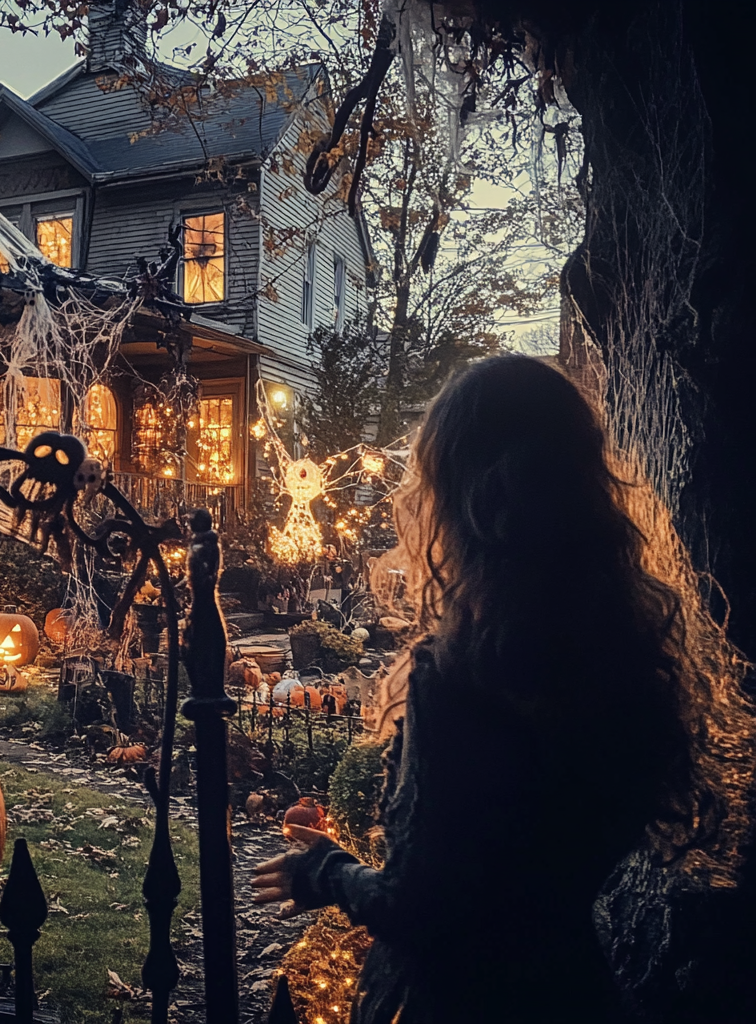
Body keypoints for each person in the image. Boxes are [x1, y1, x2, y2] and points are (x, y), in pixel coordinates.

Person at [251, 355, 754, 1023]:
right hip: (573, 994)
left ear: (463, 501)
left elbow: (418, 906)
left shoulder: (461, 679)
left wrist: (325, 872)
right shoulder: (616, 660)